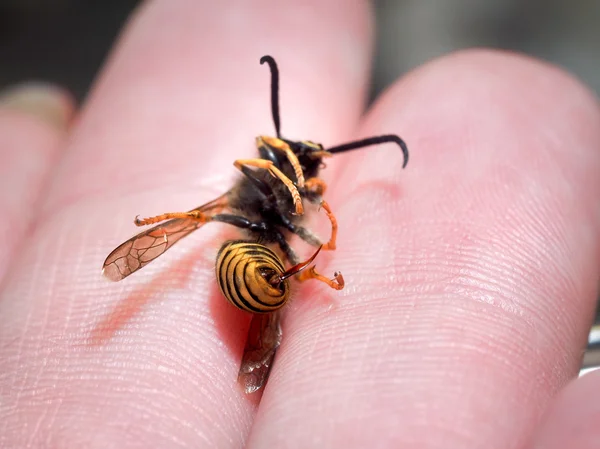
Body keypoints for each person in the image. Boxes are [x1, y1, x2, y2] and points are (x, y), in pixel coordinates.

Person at [0, 2, 598, 448]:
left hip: (256, 273)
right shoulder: (262, 202)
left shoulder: (270, 209)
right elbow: (265, 221)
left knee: (244, 239)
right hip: (256, 269)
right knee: (233, 232)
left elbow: (280, 225)